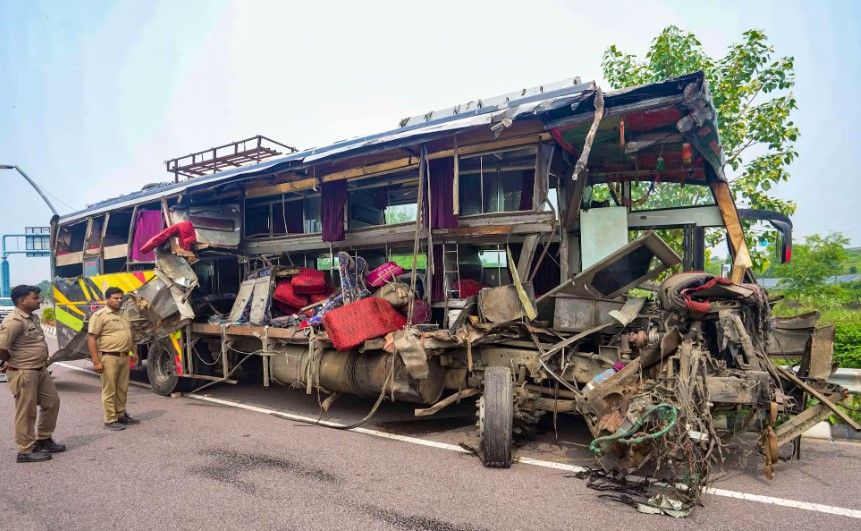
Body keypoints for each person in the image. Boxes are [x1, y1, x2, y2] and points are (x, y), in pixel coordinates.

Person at [0, 285, 65, 462]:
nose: (39, 301)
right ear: (22, 301)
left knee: (52, 403)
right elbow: (1, 347)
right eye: (35, 298)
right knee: (26, 412)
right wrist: (9, 360)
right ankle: (25, 450)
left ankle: (43, 439)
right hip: (24, 371)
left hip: (40, 370)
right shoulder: (14, 321)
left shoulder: (33, 318)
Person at [88, 287, 139, 431]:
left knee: (122, 388)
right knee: (109, 390)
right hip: (109, 357)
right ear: (107, 299)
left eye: (121, 298)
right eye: (116, 298)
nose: (119, 301)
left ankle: (121, 414)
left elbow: (129, 335)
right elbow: (92, 339)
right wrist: (96, 361)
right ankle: (110, 420)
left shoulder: (124, 314)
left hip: (124, 356)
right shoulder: (100, 315)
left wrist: (133, 352)